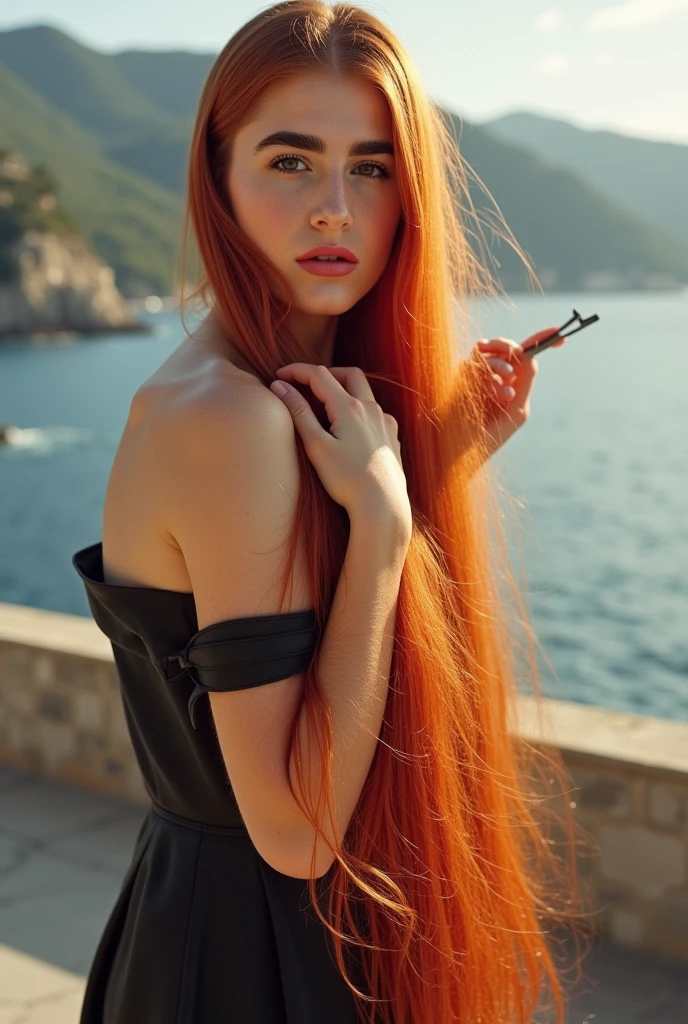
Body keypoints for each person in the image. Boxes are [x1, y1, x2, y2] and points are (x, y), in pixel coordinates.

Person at [72, 2, 578, 1022]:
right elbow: (295, 831)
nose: (335, 210)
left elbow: (311, 614)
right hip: (251, 961)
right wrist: (385, 525)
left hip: (252, 934)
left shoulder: (281, 397)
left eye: (374, 167)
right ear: (217, 179)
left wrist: (434, 464)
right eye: (291, 161)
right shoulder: (228, 419)